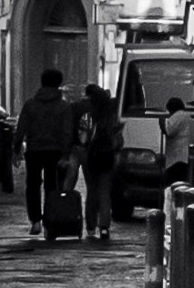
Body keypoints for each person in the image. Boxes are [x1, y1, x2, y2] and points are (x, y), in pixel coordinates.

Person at [13, 67, 79, 241]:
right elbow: (67, 132)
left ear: (41, 82)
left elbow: (21, 128)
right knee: (52, 186)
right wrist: (66, 153)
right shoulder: (64, 107)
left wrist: (16, 148)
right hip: (55, 151)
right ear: (59, 84)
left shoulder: (30, 104)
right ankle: (51, 221)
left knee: (33, 185)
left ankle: (35, 221)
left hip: (34, 150)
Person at [78, 81, 122, 244]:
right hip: (108, 157)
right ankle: (104, 227)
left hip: (92, 157)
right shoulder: (112, 118)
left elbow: (83, 140)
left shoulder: (87, 117)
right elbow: (118, 140)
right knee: (105, 192)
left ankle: (90, 227)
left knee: (92, 191)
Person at [159, 97, 194, 186]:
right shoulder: (191, 120)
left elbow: (169, 131)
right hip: (191, 160)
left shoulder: (178, 116)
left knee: (174, 185)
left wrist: (161, 121)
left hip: (178, 161)